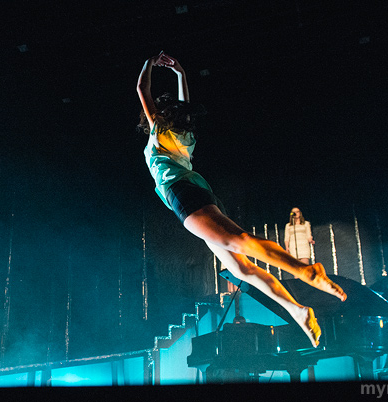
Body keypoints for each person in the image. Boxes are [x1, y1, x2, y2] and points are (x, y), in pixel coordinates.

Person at [137, 52, 345, 347]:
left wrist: (149, 61)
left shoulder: (159, 128)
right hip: (197, 192)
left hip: (184, 195)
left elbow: (141, 90)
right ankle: (299, 311)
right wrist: (179, 72)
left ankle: (306, 270)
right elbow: (172, 101)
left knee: (239, 242)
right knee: (241, 268)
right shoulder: (186, 134)